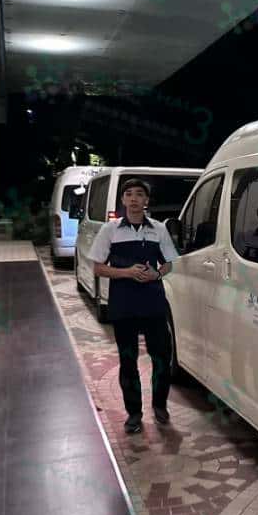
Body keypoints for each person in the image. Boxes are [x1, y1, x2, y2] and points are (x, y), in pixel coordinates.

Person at [88, 179, 179, 434]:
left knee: (162, 357)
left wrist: (157, 274)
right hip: (124, 305)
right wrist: (126, 272)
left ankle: (160, 406)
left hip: (153, 304)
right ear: (123, 200)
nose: (134, 199)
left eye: (140, 194)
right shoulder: (110, 230)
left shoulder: (158, 229)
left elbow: (169, 263)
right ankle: (134, 414)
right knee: (128, 361)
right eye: (129, 194)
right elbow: (98, 267)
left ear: (146, 200)